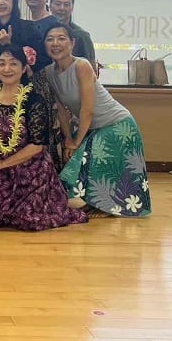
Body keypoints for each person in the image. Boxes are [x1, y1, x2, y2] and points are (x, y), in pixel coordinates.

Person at [0, 45, 88, 230]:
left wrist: (2, 164)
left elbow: (37, 146)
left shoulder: (34, 100)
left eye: (13, 64)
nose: (7, 69)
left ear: (24, 68)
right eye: (2, 63)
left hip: (31, 165)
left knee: (29, 217)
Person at [44, 24, 152, 217]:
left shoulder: (81, 66)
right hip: (93, 126)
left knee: (86, 162)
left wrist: (76, 143)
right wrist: (68, 139)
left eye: (61, 38)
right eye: (50, 39)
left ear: (72, 43)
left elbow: (87, 110)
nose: (55, 43)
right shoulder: (49, 72)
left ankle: (105, 206)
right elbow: (61, 109)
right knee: (77, 165)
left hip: (116, 123)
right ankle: (96, 203)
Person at [0, 0, 61, 171]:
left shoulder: (27, 27)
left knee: (32, 137)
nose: (0, 2)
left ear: (14, 0)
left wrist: (9, 45)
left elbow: (42, 59)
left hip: (30, 88)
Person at [50, 0, 97, 67]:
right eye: (58, 4)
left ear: (72, 8)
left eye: (66, 4)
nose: (62, 8)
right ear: (50, 6)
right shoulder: (43, 32)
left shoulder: (81, 35)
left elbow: (91, 67)